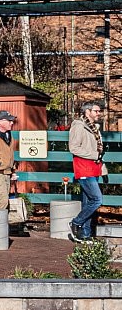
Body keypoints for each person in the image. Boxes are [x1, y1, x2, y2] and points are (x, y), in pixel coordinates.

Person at [67, 100, 106, 242]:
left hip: (94, 169)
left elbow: (98, 150)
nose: (99, 113)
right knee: (97, 200)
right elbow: (74, 148)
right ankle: (76, 223)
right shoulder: (79, 126)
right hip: (84, 169)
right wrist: (95, 155)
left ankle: (85, 234)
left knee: (88, 201)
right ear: (87, 111)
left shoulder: (94, 127)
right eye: (96, 111)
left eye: (99, 111)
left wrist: (102, 167)